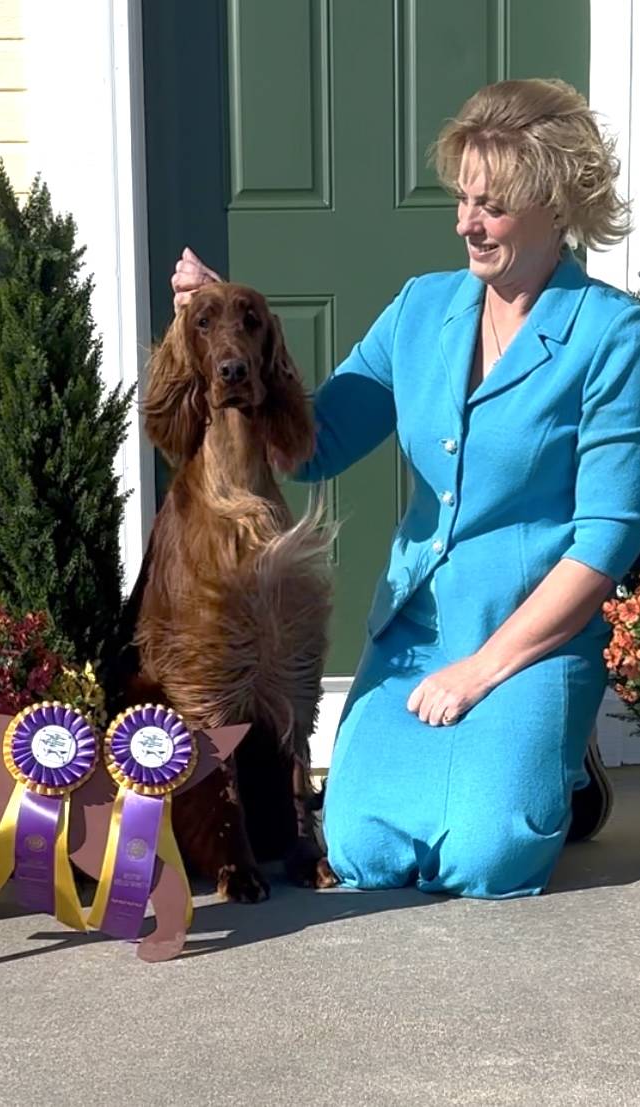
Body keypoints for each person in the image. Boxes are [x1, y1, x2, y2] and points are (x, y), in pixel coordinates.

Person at [169, 78, 640, 899]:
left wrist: (481, 670)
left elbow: (604, 541)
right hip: (414, 632)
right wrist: (228, 325)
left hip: (530, 635)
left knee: (486, 857)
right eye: (462, 199)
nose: (465, 223)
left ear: (552, 204)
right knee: (362, 851)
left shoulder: (610, 334)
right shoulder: (421, 309)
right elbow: (310, 447)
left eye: (490, 206)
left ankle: (566, 763)